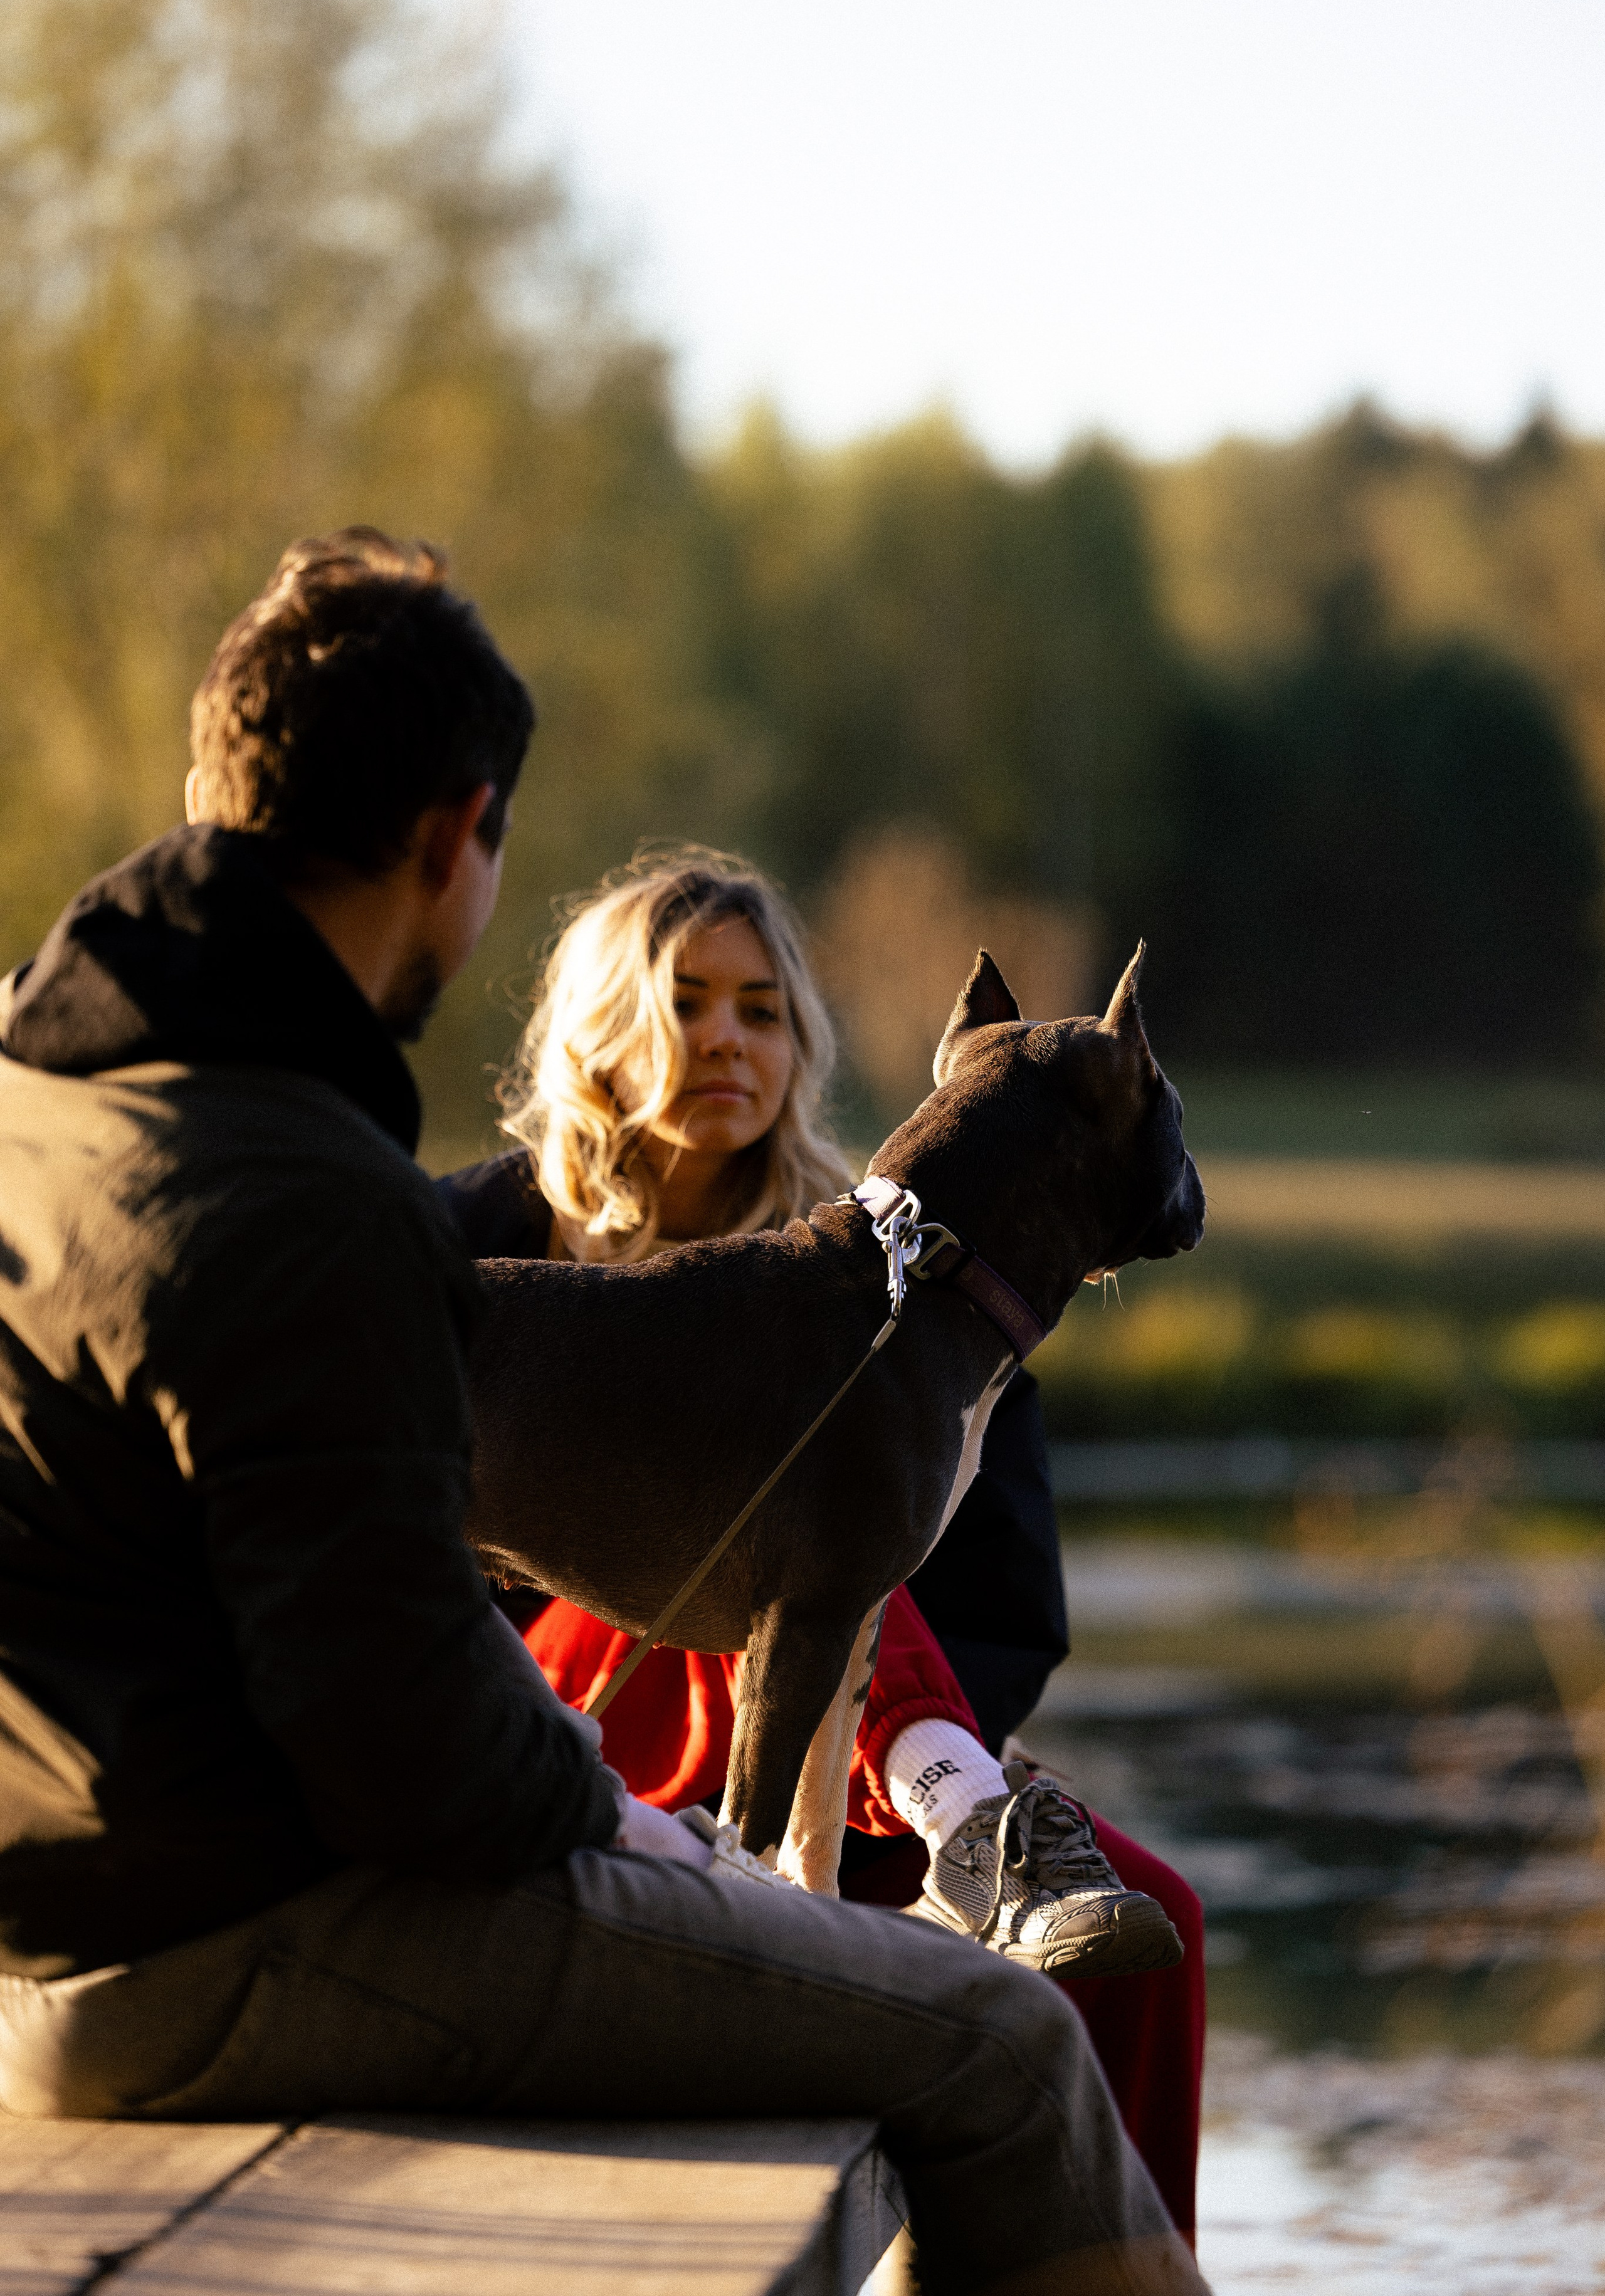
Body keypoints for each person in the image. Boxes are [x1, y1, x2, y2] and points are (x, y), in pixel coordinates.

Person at [0, 528, 1209, 2296]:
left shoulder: (52, 1107)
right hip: (243, 1936)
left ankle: (940, 1804)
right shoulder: (317, 1190)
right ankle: (953, 1828)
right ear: (455, 836)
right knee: (1000, 2039)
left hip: (65, 1922)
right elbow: (413, 1742)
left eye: (753, 1009)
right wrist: (650, 1827)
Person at [441, 847, 1207, 2242]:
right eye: (686, 999)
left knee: (1152, 1915)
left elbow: (1001, 1612)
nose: (729, 1035)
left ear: (803, 1043)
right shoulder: (471, 1241)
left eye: (763, 1005)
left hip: (845, 1776)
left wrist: (908, 1757)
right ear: (594, 1028)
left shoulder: (917, 1282)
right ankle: (965, 1817)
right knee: (833, 1515)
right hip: (568, 1719)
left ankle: (1086, 2259)